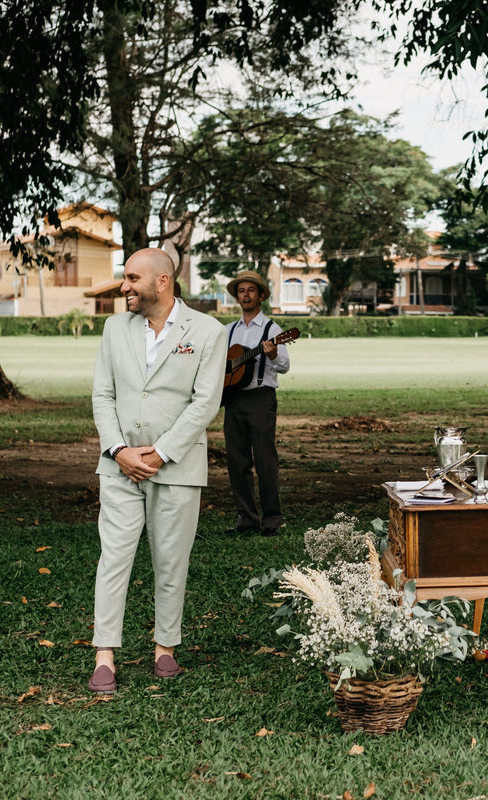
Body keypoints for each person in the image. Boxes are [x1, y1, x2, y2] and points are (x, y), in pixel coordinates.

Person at [87, 248, 228, 694]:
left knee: (171, 561)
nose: (124, 286)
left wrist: (161, 453)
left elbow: (204, 403)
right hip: (119, 466)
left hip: (178, 467)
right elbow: (102, 395)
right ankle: (104, 654)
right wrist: (118, 450)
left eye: (131, 278)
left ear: (161, 282)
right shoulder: (114, 328)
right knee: (114, 557)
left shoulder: (207, 331)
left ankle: (165, 648)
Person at [222, 270, 289, 536]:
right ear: (237, 297)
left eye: (251, 290)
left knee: (264, 461)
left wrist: (271, 354)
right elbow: (220, 364)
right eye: (241, 291)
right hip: (234, 399)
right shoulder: (228, 331)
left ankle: (272, 519)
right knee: (236, 461)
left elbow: (284, 365)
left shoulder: (273, 330)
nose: (246, 295)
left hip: (261, 399)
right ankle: (247, 518)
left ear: (261, 295)